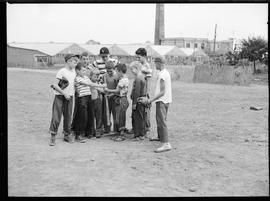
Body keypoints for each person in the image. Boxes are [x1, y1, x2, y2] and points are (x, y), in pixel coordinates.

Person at [138, 56, 172, 153]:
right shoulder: (165, 73)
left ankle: (166, 144)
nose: (155, 65)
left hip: (162, 100)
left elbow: (162, 92)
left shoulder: (162, 75)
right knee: (160, 119)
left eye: (155, 63)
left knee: (162, 121)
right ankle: (160, 137)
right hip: (165, 100)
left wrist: (150, 100)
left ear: (159, 63)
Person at [49, 54, 79, 146]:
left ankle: (67, 135)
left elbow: (73, 83)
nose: (75, 63)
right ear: (68, 61)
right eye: (74, 61)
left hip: (70, 97)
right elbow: (55, 85)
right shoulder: (62, 71)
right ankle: (53, 136)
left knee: (68, 117)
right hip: (60, 97)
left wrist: (75, 87)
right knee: (56, 117)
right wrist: (64, 93)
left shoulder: (74, 72)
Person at [71, 62, 105, 142]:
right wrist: (101, 86)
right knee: (82, 116)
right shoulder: (78, 78)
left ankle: (88, 132)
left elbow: (91, 84)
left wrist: (100, 87)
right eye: (82, 70)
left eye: (85, 70)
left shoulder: (86, 77)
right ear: (77, 71)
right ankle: (79, 134)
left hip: (89, 98)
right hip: (82, 98)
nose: (84, 72)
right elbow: (88, 83)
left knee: (90, 115)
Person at [91, 47, 119, 134]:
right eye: (102, 56)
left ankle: (116, 129)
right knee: (104, 111)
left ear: (109, 55)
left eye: (106, 56)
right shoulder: (96, 62)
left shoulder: (114, 62)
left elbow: (120, 71)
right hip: (102, 88)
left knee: (114, 111)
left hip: (112, 89)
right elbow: (90, 70)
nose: (104, 58)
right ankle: (105, 127)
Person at [104, 63, 129, 142]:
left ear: (120, 71)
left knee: (121, 117)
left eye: (117, 72)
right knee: (120, 116)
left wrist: (108, 90)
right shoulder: (125, 79)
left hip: (122, 99)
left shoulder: (122, 80)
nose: (116, 73)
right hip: (123, 99)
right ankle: (119, 133)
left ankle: (122, 135)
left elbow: (117, 91)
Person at [135, 48, 152, 137]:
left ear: (144, 56)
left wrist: (147, 94)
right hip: (141, 91)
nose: (137, 59)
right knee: (142, 112)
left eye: (139, 57)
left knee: (146, 112)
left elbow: (148, 81)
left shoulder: (147, 67)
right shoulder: (142, 66)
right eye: (137, 58)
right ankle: (143, 129)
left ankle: (147, 130)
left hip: (145, 93)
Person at [129, 61, 148, 141]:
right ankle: (141, 134)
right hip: (141, 100)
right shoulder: (142, 77)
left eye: (132, 69)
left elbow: (137, 92)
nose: (131, 71)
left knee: (137, 118)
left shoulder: (138, 78)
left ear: (136, 68)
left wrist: (134, 103)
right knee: (141, 117)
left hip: (138, 101)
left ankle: (139, 135)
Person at [104, 61, 119, 133]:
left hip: (115, 97)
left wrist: (112, 94)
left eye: (110, 71)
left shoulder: (116, 76)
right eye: (107, 71)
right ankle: (107, 129)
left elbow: (118, 90)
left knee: (115, 114)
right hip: (107, 98)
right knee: (107, 114)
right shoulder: (105, 75)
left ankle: (116, 130)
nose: (109, 72)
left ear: (114, 69)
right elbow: (104, 86)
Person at [89, 69, 104, 138]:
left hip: (97, 101)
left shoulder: (98, 83)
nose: (96, 78)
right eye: (94, 77)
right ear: (90, 76)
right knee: (91, 116)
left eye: (97, 77)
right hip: (91, 101)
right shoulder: (88, 82)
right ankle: (92, 131)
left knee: (99, 116)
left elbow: (103, 90)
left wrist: (97, 88)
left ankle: (98, 130)